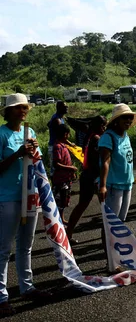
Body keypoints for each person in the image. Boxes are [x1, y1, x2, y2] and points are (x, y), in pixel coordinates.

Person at [0, 94, 51, 315]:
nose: (22, 111)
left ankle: (27, 287)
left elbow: (37, 163)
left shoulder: (29, 132)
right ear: (8, 111)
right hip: (7, 196)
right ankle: (1, 296)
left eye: (24, 108)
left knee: (26, 244)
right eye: (17, 108)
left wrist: (34, 152)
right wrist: (18, 154)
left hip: (29, 194)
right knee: (3, 248)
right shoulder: (1, 134)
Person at [66, 115, 107, 244]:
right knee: (107, 208)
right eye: (103, 126)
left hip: (87, 175)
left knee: (81, 206)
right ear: (97, 126)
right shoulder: (96, 138)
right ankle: (110, 238)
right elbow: (97, 162)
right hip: (93, 177)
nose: (104, 128)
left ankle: (68, 234)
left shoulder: (89, 137)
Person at [98, 104, 136, 223]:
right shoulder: (108, 137)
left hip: (127, 183)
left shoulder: (125, 135)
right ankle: (106, 242)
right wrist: (102, 186)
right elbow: (105, 161)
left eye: (130, 117)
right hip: (113, 185)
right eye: (125, 117)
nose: (128, 120)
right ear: (117, 120)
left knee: (120, 221)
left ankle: (116, 242)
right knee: (111, 222)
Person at [52, 124, 77, 224]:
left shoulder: (63, 144)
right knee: (59, 200)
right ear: (66, 134)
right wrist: (71, 168)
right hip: (60, 179)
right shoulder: (58, 147)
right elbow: (56, 164)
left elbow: (66, 141)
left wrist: (71, 173)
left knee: (64, 200)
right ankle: (57, 221)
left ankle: (61, 219)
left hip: (66, 178)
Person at [47, 101, 69, 176]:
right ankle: (55, 187)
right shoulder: (57, 120)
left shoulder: (59, 117)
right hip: (54, 147)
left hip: (58, 146)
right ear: (59, 108)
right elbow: (62, 135)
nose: (67, 107)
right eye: (64, 106)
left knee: (59, 168)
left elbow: (48, 124)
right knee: (56, 169)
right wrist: (70, 144)